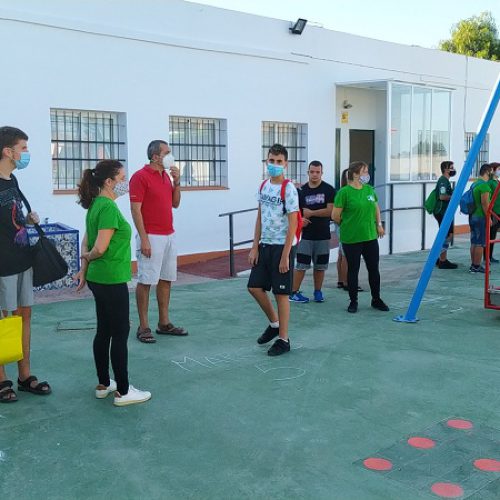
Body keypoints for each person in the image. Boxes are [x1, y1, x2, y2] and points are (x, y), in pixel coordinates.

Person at [76, 159, 151, 406]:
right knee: (120, 333)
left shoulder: (96, 205)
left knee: (104, 331)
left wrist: (84, 269)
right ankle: (124, 391)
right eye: (121, 178)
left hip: (99, 278)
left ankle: (104, 384)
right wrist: (88, 258)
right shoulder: (107, 207)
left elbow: (87, 241)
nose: (125, 183)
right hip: (111, 278)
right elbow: (97, 247)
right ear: (109, 182)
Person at [0, 126, 51, 403]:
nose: (26, 153)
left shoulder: (13, 180)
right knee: (3, 320)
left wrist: (28, 219)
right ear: (8, 151)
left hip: (22, 260)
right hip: (2, 264)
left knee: (24, 317)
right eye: (23, 148)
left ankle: (24, 375)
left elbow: (12, 216)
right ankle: (2, 380)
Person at [129, 140, 187, 344]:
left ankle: (164, 322)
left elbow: (175, 203)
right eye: (167, 152)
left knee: (166, 279)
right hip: (151, 236)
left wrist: (177, 181)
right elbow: (135, 209)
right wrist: (144, 238)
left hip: (169, 234)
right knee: (146, 280)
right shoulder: (140, 177)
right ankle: (143, 326)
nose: (171, 156)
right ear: (155, 156)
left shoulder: (166, 176)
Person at [248, 143, 299, 356]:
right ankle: (274, 323)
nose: (275, 165)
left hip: (282, 247)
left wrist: (286, 255)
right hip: (265, 245)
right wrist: (254, 247)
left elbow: (293, 224)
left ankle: (283, 339)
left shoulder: (289, 188)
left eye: (279, 162)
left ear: (285, 164)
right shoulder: (263, 186)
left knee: (281, 294)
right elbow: (260, 217)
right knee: (254, 287)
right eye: (271, 161)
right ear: (266, 161)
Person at [332, 161, 389, 314]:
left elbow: (375, 207)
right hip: (352, 238)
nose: (367, 174)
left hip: (370, 236)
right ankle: (353, 301)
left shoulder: (369, 190)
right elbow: (335, 216)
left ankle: (376, 299)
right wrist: (349, 224)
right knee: (353, 270)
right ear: (355, 174)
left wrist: (379, 224)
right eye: (364, 171)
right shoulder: (344, 192)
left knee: (373, 269)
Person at [289, 160, 335, 303]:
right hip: (305, 236)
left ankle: (318, 292)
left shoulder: (329, 189)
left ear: (322, 173)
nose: (314, 174)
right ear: (308, 172)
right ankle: (293, 292)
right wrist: (301, 219)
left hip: (322, 235)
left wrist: (311, 212)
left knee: (320, 267)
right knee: (301, 265)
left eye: (318, 172)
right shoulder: (301, 191)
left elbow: (330, 211)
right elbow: (295, 211)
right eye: (312, 172)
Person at [434, 161, 458, 269]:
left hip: (445, 212)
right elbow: (442, 196)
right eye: (451, 168)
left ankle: (440, 258)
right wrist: (454, 196)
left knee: (447, 235)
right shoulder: (443, 181)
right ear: (445, 169)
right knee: (446, 235)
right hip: (442, 212)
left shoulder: (445, 181)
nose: (453, 169)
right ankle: (442, 260)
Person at [469, 163, 492, 273]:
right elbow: (485, 204)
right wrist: (489, 217)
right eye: (491, 171)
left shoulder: (475, 184)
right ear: (487, 172)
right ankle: (477, 266)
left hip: (472, 215)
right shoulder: (484, 186)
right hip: (480, 217)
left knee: (474, 241)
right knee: (480, 242)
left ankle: (473, 264)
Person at [487, 162, 500, 263]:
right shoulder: (490, 183)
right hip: (494, 212)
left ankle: (490, 256)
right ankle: (487, 257)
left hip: (498, 211)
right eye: (499, 169)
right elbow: (488, 198)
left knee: (494, 235)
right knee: (491, 235)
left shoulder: (497, 181)